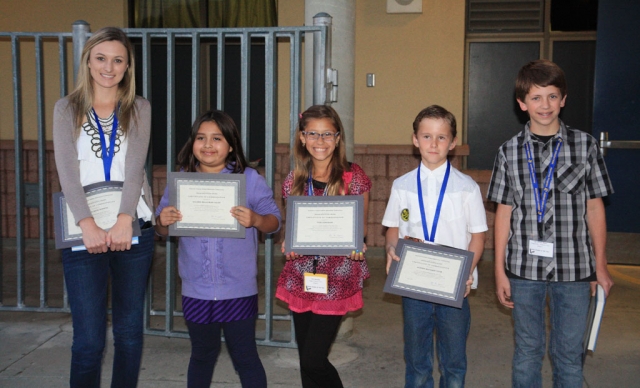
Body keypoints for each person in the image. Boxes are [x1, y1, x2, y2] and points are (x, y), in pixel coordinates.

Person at [487, 59, 614, 388]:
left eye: (553, 96)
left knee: (569, 354)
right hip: (523, 270)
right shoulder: (508, 152)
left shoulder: (585, 147)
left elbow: (595, 207)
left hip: (574, 269)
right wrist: (499, 269)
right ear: (522, 103)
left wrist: (600, 265)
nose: (545, 105)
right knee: (528, 350)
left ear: (564, 99)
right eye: (536, 98)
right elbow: (504, 212)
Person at [52, 27, 155, 388]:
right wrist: (87, 223)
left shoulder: (139, 107)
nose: (108, 67)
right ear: (88, 61)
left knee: (128, 333)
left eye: (117, 60)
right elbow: (67, 171)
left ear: (127, 67)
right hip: (84, 228)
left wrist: (126, 218)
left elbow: (134, 166)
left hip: (133, 225)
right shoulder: (66, 108)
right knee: (88, 341)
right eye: (101, 58)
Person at [155, 110, 280, 388]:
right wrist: (162, 222)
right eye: (201, 138)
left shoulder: (249, 179)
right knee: (201, 355)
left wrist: (256, 220)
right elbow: (161, 228)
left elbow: (274, 222)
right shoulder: (181, 180)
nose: (208, 145)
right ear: (192, 143)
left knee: (245, 356)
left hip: (238, 288)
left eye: (217, 138)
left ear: (231, 145)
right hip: (196, 289)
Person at [382, 105, 487, 387]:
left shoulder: (466, 187)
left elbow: (478, 236)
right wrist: (392, 248)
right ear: (415, 140)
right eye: (427, 136)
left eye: (442, 137)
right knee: (416, 359)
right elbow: (393, 229)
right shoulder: (402, 185)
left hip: (454, 284)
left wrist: (468, 271)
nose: (434, 143)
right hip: (414, 282)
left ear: (452, 143)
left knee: (454, 361)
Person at [276, 105, 371, 388]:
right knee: (306, 356)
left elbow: (361, 230)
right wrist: (287, 243)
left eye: (327, 134)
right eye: (313, 134)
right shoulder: (293, 181)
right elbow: (292, 228)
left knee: (314, 359)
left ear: (338, 137)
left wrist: (358, 244)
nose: (320, 141)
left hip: (338, 277)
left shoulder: (354, 178)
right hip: (302, 276)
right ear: (302, 138)